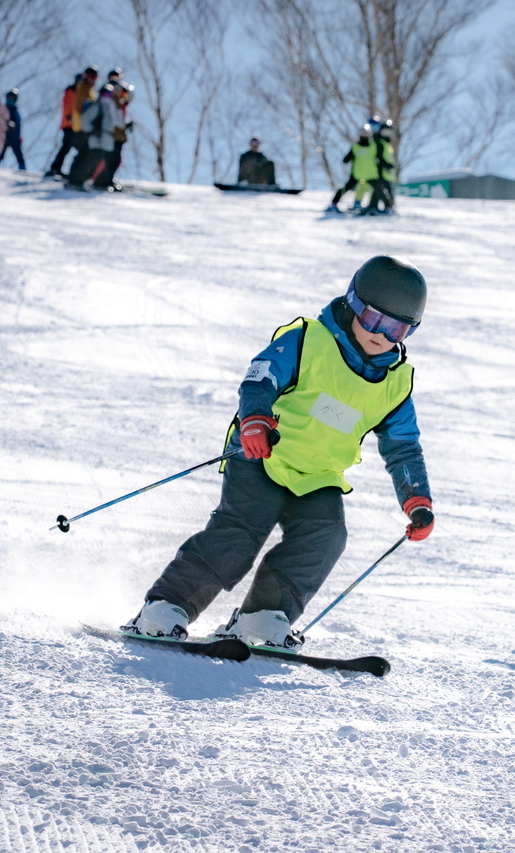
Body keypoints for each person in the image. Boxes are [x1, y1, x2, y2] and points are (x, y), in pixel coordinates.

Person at [123, 256, 436, 649]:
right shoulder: (309, 339)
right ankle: (166, 606)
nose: (381, 334)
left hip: (319, 476)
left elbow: (403, 447)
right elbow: (261, 376)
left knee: (325, 538)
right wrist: (254, 420)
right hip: (263, 454)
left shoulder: (394, 384)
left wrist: (416, 499)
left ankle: (263, 616)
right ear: (354, 304)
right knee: (239, 533)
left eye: (396, 328)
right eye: (374, 319)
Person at [46, 67, 98, 178]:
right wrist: (70, 116)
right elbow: (69, 105)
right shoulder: (71, 91)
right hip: (69, 124)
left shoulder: (84, 92)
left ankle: (61, 169)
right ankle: (57, 169)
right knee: (69, 146)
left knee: (71, 147)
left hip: (76, 124)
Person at [67, 82, 120, 190]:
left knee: (103, 163)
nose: (107, 97)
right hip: (97, 140)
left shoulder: (109, 108)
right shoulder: (97, 106)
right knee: (91, 162)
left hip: (106, 141)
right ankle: (77, 182)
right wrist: (92, 131)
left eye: (110, 95)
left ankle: (101, 183)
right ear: (100, 94)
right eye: (105, 94)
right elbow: (85, 120)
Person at [327, 125, 378, 213]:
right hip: (357, 173)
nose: (364, 135)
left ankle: (374, 206)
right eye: (362, 133)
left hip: (370, 174)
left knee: (378, 189)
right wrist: (346, 160)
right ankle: (334, 204)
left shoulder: (373, 146)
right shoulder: (355, 147)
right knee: (346, 188)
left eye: (366, 133)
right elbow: (347, 158)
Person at [96, 81, 133, 189]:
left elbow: (119, 121)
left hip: (118, 136)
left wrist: (126, 125)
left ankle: (108, 180)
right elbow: (114, 121)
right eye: (121, 93)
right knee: (110, 159)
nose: (123, 96)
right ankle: (102, 181)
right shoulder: (111, 102)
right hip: (112, 136)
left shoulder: (120, 105)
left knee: (116, 160)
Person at [362, 119, 396, 215]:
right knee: (379, 189)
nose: (387, 133)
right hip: (379, 170)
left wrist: (390, 166)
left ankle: (385, 207)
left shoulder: (387, 143)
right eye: (385, 131)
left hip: (387, 172)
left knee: (384, 189)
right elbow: (379, 157)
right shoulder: (379, 142)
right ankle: (377, 206)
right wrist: (387, 165)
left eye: (389, 132)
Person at [0, 89, 25, 170]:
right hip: (5, 136)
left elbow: (18, 126)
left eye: (13, 97)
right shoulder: (4, 110)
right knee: (0, 155)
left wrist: (19, 137)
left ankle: (23, 169)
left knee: (19, 155)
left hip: (15, 138)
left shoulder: (16, 111)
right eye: (9, 97)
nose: (11, 99)